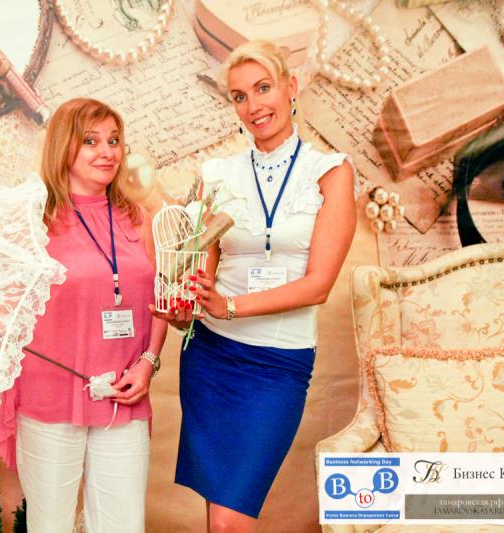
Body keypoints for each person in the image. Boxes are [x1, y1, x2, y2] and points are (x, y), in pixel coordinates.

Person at [152, 40, 357, 531]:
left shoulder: (330, 172)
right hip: (211, 359)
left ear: (291, 87)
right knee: (220, 521)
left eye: (263, 88)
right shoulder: (217, 175)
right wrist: (181, 305)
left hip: (277, 366)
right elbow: (200, 276)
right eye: (239, 96)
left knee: (230, 522)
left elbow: (318, 286)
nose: (254, 105)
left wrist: (229, 306)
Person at [0, 97, 167, 533]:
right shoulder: (32, 221)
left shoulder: (138, 218)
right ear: (64, 146)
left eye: (113, 140)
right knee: (50, 525)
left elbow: (161, 296)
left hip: (124, 394)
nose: (107, 151)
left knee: (123, 526)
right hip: (50, 396)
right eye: (91, 141)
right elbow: (7, 310)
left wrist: (148, 364)